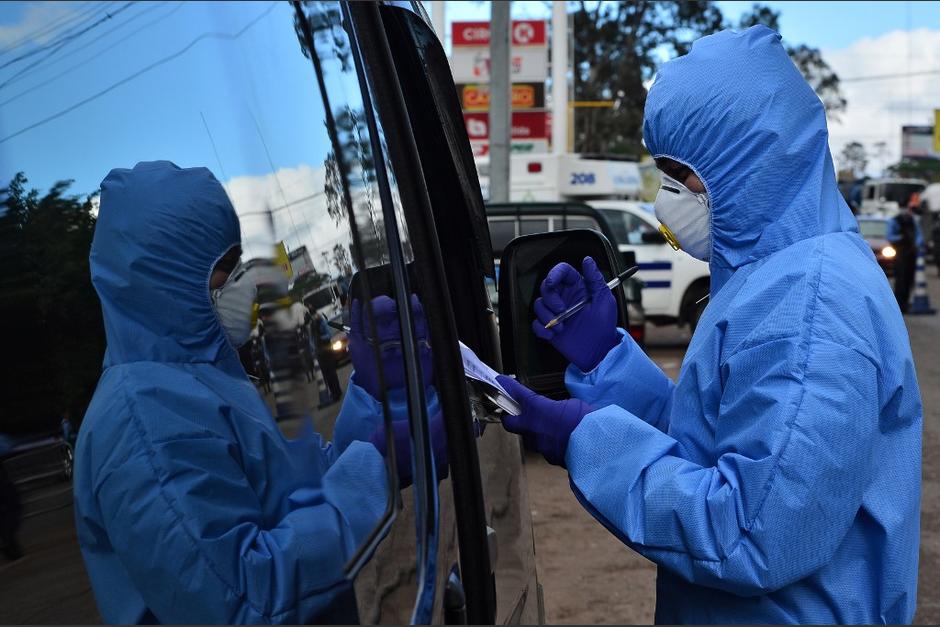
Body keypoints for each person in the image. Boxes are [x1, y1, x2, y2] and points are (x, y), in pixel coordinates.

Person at [496, 26, 922, 624]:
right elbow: (720, 443)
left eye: (681, 176)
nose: (668, 198)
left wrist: (586, 439)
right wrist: (605, 364)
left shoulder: (812, 310)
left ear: (748, 163)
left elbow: (750, 533)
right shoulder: (773, 276)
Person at [72, 161, 389, 623]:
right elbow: (246, 601)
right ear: (165, 277)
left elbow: (285, 486)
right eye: (223, 268)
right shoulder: (142, 423)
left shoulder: (198, 382)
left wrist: (371, 415)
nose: (242, 283)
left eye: (238, 262)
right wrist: (372, 474)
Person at [887, 203, 924, 313]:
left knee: (909, 279)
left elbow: (919, 236)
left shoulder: (912, 220)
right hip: (900, 254)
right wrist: (901, 238)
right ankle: (899, 305)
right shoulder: (895, 221)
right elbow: (890, 236)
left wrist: (916, 244)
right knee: (900, 280)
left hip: (911, 253)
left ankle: (905, 304)